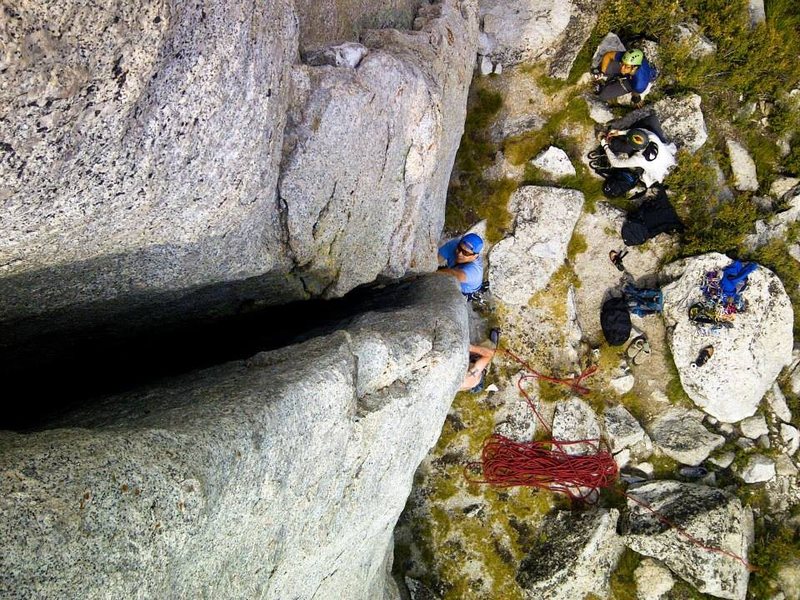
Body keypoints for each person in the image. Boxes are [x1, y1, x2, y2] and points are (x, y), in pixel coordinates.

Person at [598, 127, 677, 188]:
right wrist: (619, 132)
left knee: (621, 147)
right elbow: (641, 131)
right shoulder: (652, 137)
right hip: (665, 158)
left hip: (655, 171)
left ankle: (612, 143)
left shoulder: (640, 159)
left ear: (635, 148)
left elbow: (616, 163)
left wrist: (605, 146)